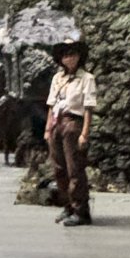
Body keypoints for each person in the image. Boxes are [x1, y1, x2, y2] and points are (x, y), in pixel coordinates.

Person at [45, 39, 96, 227]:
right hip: (57, 123)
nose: (69, 58)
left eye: (73, 54)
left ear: (79, 56)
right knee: (59, 168)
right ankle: (67, 206)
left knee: (75, 168)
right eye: (65, 55)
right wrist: (48, 129)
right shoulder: (58, 78)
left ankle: (81, 210)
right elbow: (51, 105)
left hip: (73, 122)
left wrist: (84, 133)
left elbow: (89, 108)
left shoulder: (86, 78)